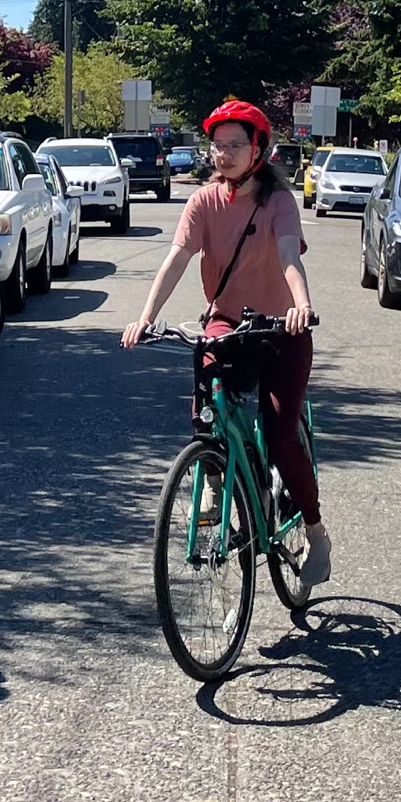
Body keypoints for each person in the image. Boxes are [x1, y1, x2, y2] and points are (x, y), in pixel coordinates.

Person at [121, 98, 331, 586]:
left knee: (279, 435)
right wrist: (145, 317)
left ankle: (317, 531)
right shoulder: (203, 202)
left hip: (282, 329)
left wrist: (300, 304)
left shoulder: (278, 202)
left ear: (258, 149)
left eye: (235, 145)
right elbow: (175, 258)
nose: (224, 154)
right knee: (207, 400)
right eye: (217, 146)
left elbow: (287, 257)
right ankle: (217, 475)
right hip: (228, 323)